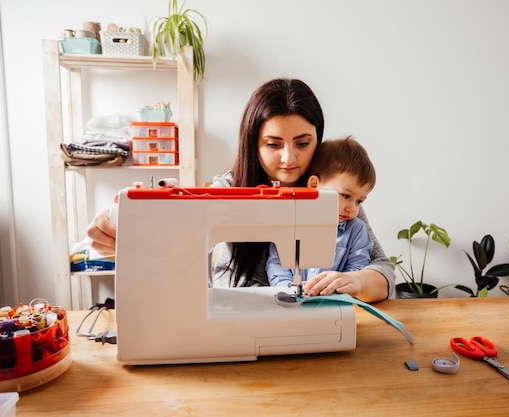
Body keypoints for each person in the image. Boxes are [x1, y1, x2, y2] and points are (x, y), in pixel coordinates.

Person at [86, 78, 395, 302]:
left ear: (318, 139)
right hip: (231, 316)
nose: (289, 158)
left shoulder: (335, 198)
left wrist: (354, 280)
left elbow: (383, 273)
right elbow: (173, 247)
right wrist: (124, 226)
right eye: (273, 144)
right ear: (253, 143)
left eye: (302, 143)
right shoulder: (228, 189)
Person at [266, 136, 375, 288]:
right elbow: (276, 263)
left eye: (359, 201)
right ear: (314, 185)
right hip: (291, 300)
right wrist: (285, 287)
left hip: (333, 300)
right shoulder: (290, 224)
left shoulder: (356, 230)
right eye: (346, 196)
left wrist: (340, 284)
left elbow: (357, 267)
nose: (352, 208)